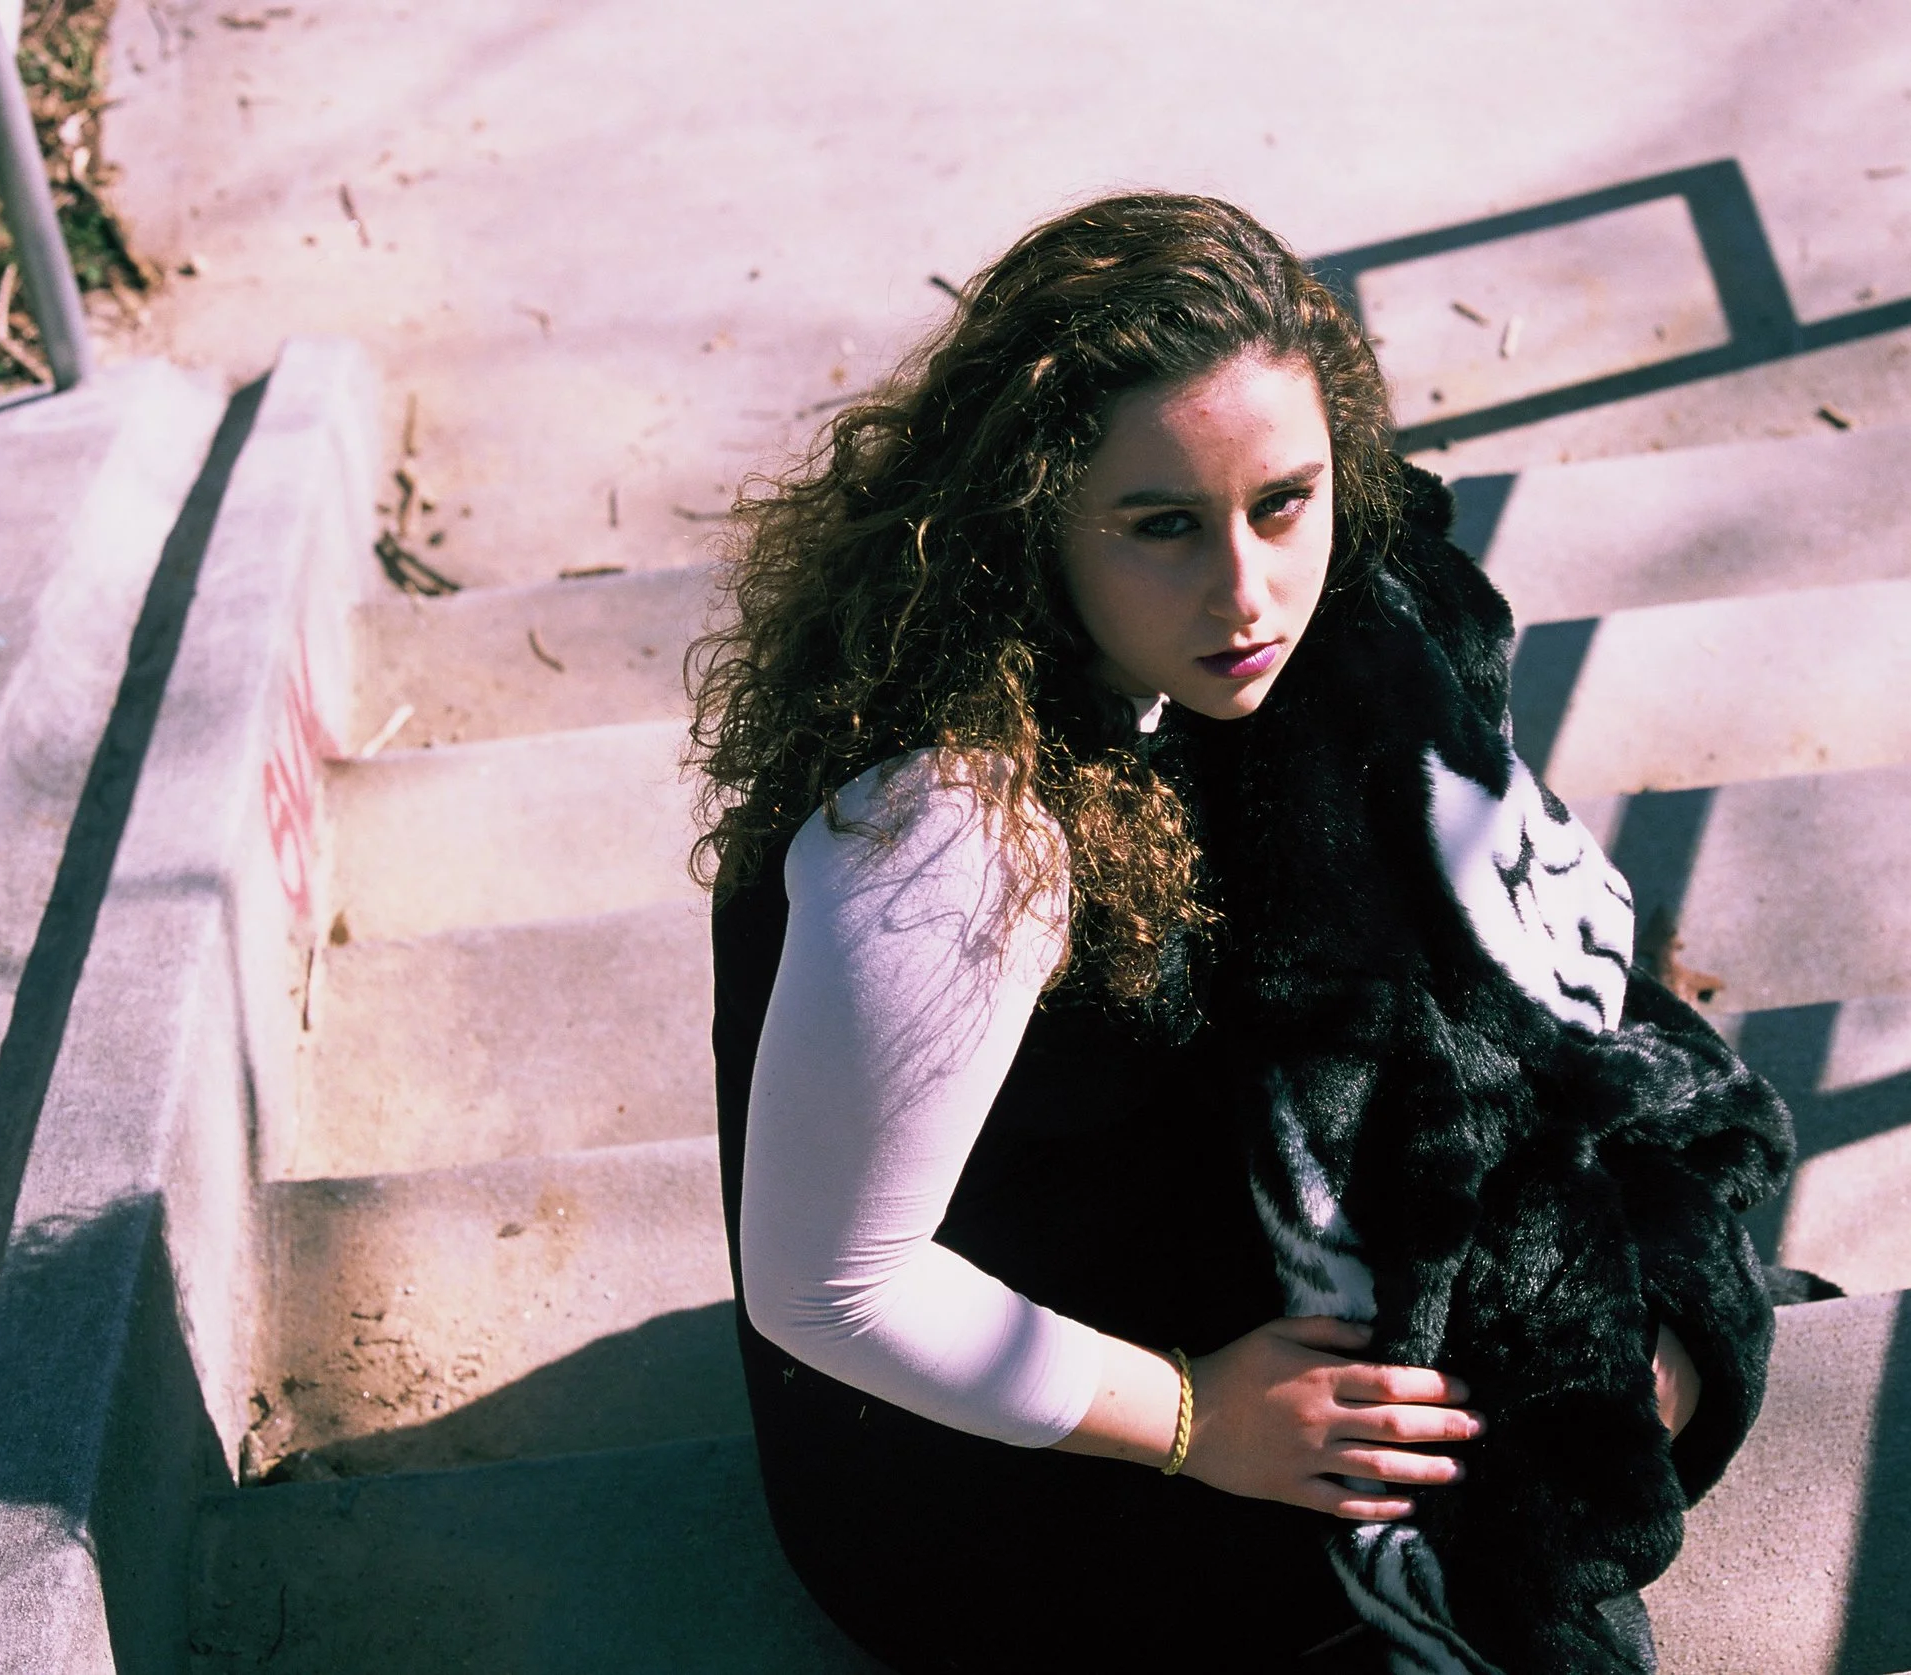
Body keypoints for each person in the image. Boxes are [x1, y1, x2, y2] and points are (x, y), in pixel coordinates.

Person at [691, 193, 1793, 1675]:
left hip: (1107, 1238)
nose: (1247, 591)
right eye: (1161, 527)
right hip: (991, 1502)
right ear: (1031, 522)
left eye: (1283, 503)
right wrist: (1199, 1416)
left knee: (1599, 1217)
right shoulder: (954, 828)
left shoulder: (1201, 651)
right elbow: (826, 1288)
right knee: (1579, 1400)